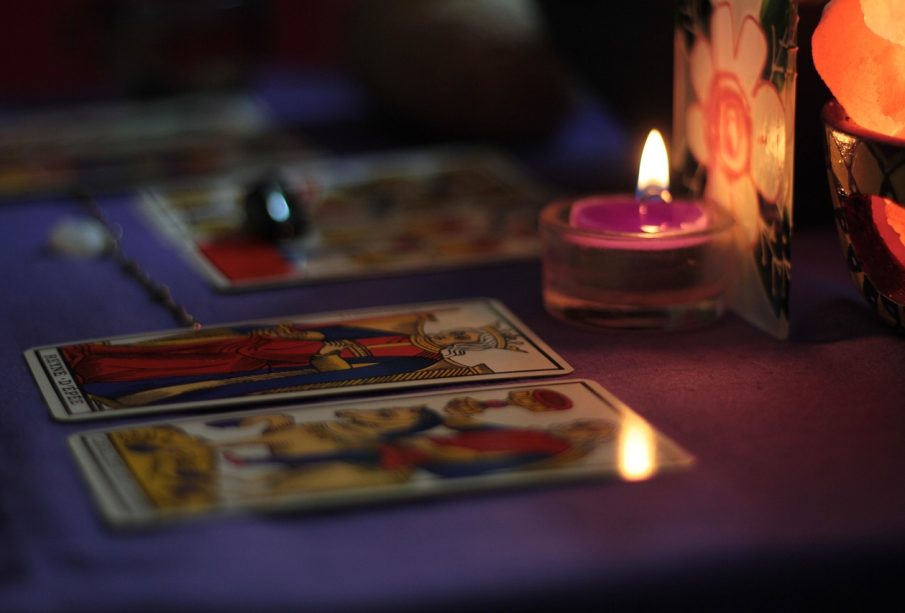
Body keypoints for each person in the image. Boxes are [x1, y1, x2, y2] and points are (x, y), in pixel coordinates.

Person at [60, 314, 522, 408]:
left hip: (276, 366)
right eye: (460, 330)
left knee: (185, 371)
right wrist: (309, 338)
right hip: (267, 346)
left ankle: (105, 376)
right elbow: (334, 332)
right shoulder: (399, 332)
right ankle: (96, 356)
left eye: (465, 338)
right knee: (184, 349)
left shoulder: (419, 362)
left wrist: (324, 357)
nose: (454, 335)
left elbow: (348, 377)